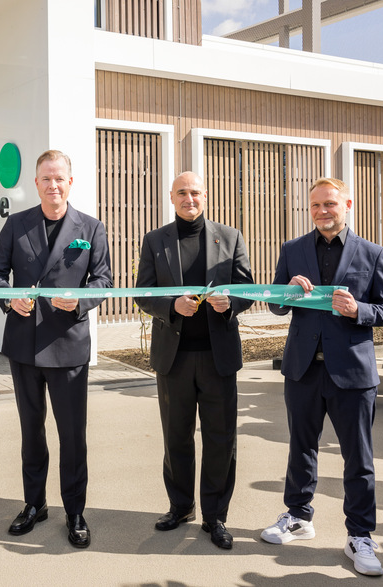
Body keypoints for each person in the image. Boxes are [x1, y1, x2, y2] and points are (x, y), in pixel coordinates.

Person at [259, 178, 383, 576]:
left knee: (359, 459)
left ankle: (360, 536)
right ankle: (298, 517)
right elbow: (275, 307)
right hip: (302, 369)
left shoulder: (372, 253)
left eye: (331, 204)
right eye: (316, 205)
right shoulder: (292, 250)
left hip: (353, 373)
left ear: (347, 204)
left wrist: (360, 311)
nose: (323, 211)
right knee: (301, 448)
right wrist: (284, 293)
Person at [0, 149, 112, 549]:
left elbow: (104, 281)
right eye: (45, 179)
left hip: (68, 345)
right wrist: (9, 299)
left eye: (59, 178)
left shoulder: (90, 228)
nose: (53, 185)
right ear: (36, 183)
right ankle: (34, 504)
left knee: (72, 436)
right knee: (31, 431)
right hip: (24, 345)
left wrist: (81, 301)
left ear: (70, 182)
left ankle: (75, 511)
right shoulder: (16, 224)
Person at [135, 171, 254, 550]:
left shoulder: (230, 237)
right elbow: (142, 293)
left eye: (196, 192)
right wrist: (171, 306)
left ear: (205, 196)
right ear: (172, 197)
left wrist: (230, 303)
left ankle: (215, 516)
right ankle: (180, 506)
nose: (190, 198)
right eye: (182, 192)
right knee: (176, 437)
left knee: (221, 439)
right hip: (174, 359)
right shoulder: (155, 241)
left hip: (218, 358)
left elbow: (246, 288)